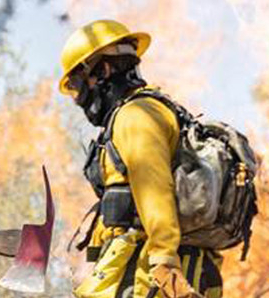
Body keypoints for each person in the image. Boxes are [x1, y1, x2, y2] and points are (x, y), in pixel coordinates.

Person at [58, 20, 222, 298]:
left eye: (76, 83)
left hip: (149, 272)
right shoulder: (151, 109)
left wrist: (164, 261)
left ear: (103, 69)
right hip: (158, 264)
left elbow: (154, 188)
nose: (78, 98)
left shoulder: (135, 117)